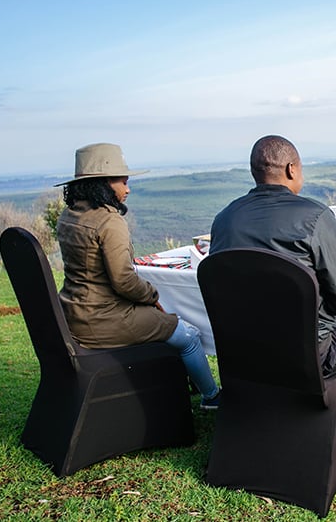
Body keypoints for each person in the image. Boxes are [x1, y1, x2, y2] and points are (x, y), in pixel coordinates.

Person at [55, 143, 221, 408]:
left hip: (73, 315)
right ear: (104, 183)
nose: (127, 189)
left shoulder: (69, 216)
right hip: (103, 320)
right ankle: (212, 396)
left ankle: (178, 384)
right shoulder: (109, 221)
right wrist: (152, 294)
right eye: (123, 181)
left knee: (167, 322)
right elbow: (123, 280)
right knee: (188, 335)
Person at [209, 134, 336, 377]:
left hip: (243, 351)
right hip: (308, 355)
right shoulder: (315, 218)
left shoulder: (224, 220)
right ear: (291, 170)